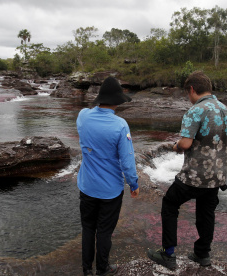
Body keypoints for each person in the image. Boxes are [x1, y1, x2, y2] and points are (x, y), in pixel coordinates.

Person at [147, 71, 227, 270]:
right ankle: (202, 254)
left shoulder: (195, 111)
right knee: (206, 213)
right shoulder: (226, 110)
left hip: (193, 176)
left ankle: (168, 254)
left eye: (188, 93)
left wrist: (175, 146)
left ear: (192, 89)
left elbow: (185, 144)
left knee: (169, 204)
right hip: (216, 177)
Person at [77, 76, 140, 276]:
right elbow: (127, 161)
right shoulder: (120, 125)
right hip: (110, 191)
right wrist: (133, 183)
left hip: (87, 186)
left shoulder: (83, 117)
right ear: (117, 101)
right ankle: (102, 269)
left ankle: (87, 269)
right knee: (104, 231)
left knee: (88, 228)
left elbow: (87, 113)